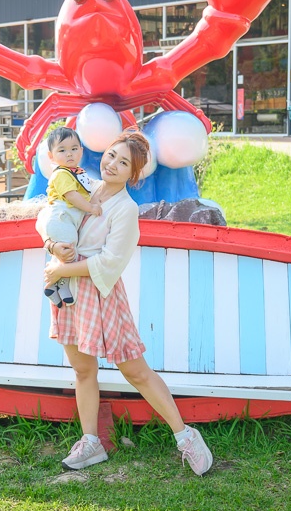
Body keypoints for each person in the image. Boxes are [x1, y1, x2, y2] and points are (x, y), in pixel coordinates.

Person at [44, 130, 214, 476]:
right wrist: (51, 245)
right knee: (82, 369)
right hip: (70, 289)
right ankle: (90, 442)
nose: (113, 164)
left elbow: (108, 263)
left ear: (133, 174)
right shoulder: (85, 186)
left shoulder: (126, 209)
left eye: (124, 163)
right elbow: (49, 213)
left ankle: (186, 437)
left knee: (135, 370)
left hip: (101, 293)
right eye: (111, 155)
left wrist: (62, 267)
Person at [36, 127, 101, 308]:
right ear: (51, 156)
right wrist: (91, 208)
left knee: (65, 253)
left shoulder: (77, 172)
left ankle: (51, 288)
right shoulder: (61, 174)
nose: (69, 154)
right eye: (62, 150)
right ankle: (61, 285)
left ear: (81, 150)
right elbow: (72, 196)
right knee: (70, 253)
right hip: (60, 217)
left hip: (66, 219)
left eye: (74, 148)